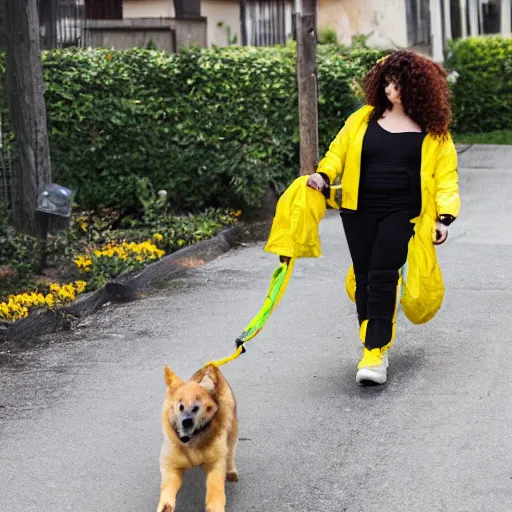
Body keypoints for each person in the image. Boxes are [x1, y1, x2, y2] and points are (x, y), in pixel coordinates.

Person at [307, 50, 460, 386]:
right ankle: (375, 339)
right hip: (357, 209)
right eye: (389, 81)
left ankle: (374, 352)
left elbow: (446, 178)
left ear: (418, 88)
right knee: (365, 276)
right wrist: (322, 175)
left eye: (401, 83)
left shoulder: (434, 131)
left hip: (403, 212)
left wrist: (444, 217)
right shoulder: (362, 119)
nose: (393, 88)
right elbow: (337, 152)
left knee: (381, 272)